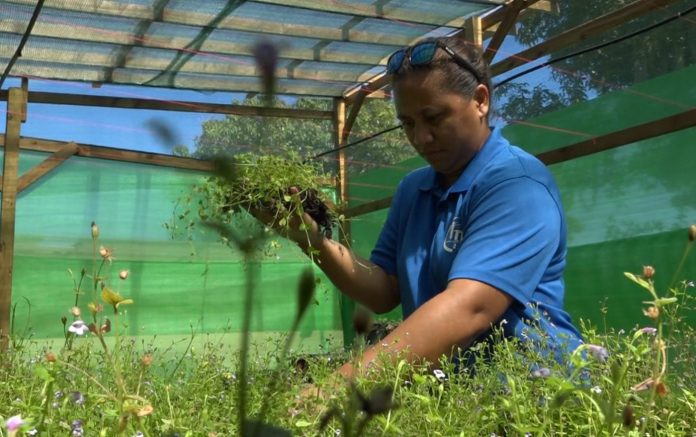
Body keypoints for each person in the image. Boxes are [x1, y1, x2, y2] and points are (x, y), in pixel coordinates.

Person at [282, 35, 583, 380]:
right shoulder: (413, 189)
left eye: (434, 118)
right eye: (408, 123)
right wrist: (313, 240)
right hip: (450, 394)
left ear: (480, 100)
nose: (420, 138)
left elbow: (469, 308)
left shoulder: (517, 183)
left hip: (533, 391)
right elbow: (384, 290)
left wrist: (336, 390)